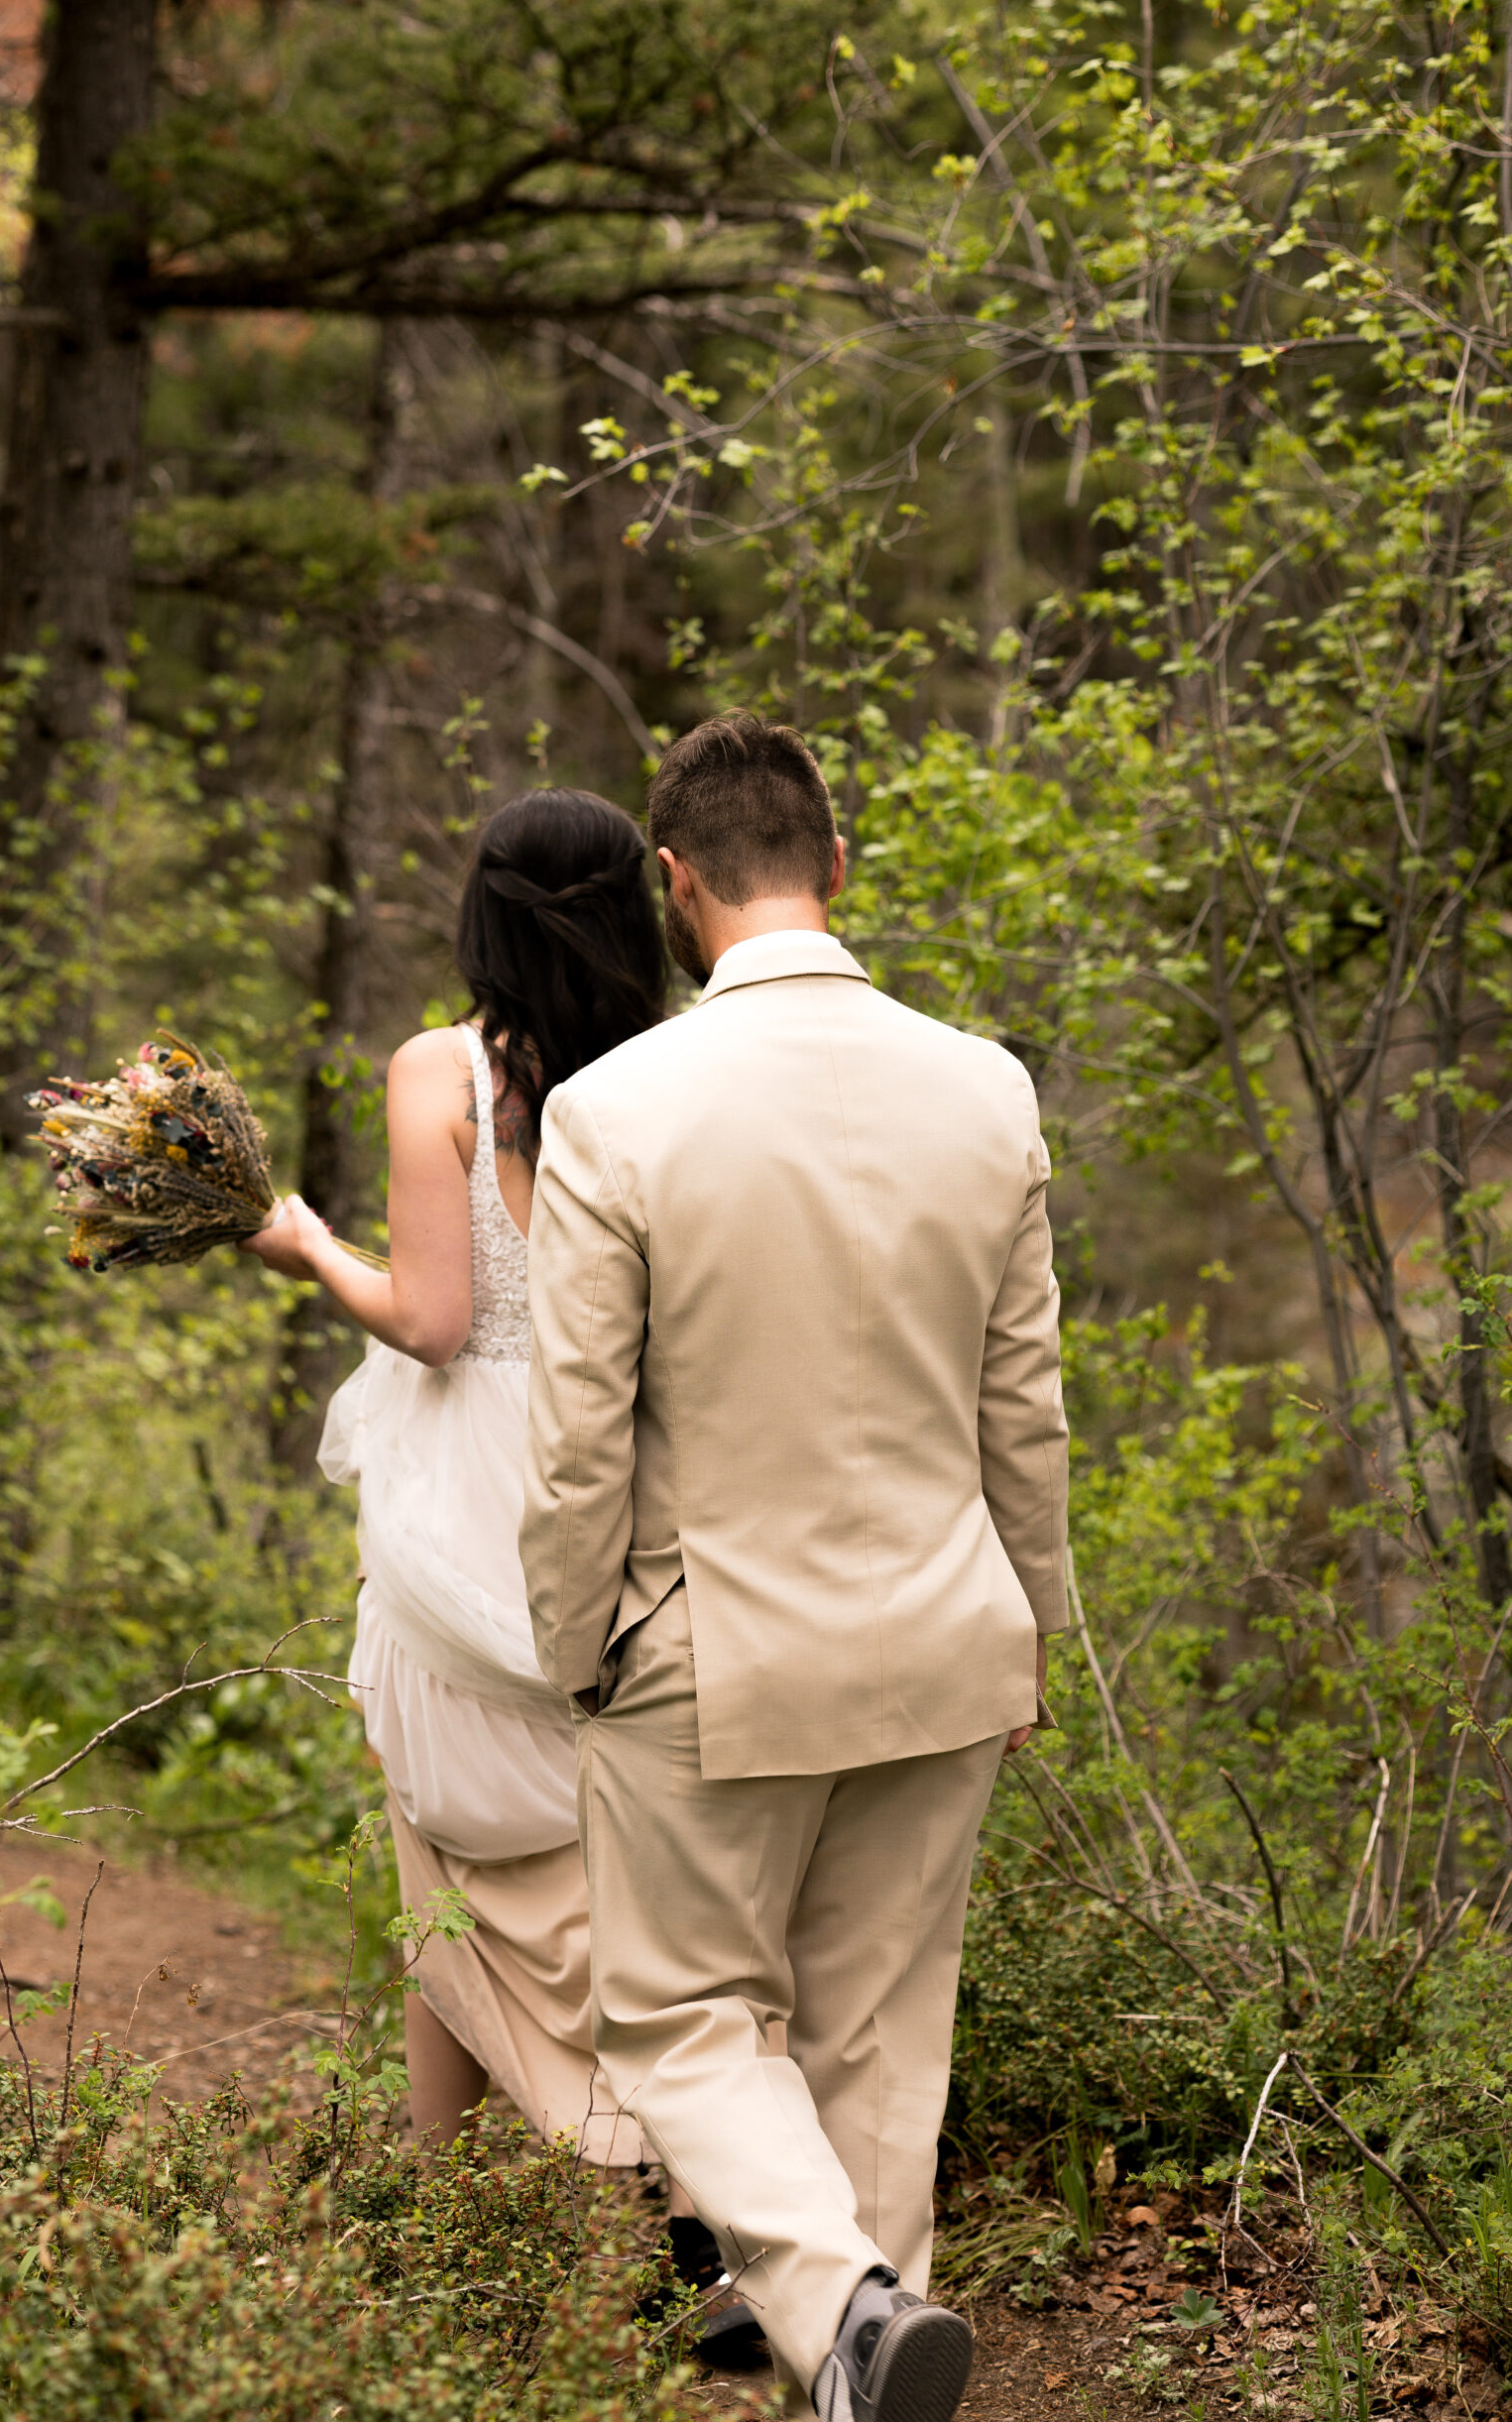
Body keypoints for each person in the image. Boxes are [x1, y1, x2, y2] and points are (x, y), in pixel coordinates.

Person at [520, 712, 1070, 2422]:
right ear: (839, 864)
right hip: (942, 1636)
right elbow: (1024, 1417)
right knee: (883, 2039)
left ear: (676, 886)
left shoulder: (613, 1114)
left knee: (681, 2023)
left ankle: (836, 2314)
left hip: (707, 1643)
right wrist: (1033, 1633)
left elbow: (575, 1441)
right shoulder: (989, 1088)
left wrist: (576, 1646)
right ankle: (865, 2360)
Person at [243, 786, 672, 2165]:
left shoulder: (444, 1072)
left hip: (468, 1494)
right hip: (620, 1477)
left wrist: (307, 1244)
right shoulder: (674, 1075)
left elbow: (428, 1323)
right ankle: (697, 2165)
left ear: (482, 908)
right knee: (636, 1851)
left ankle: (445, 2180)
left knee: (438, 1841)